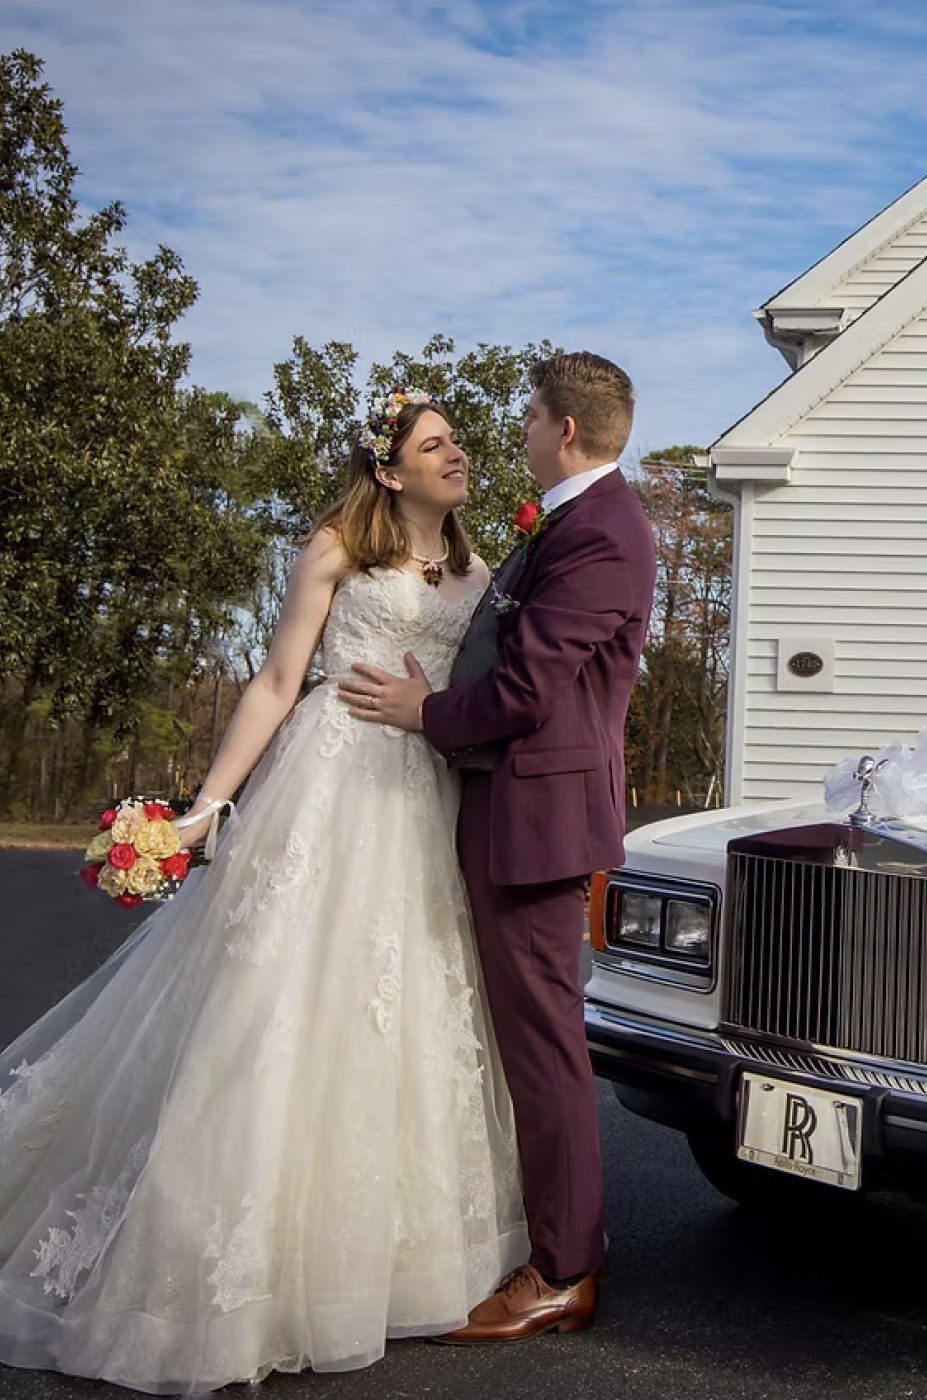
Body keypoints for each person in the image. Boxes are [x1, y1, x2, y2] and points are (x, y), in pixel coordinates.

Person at [0, 393, 528, 1392]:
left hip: (424, 796)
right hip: (328, 789)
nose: (457, 454)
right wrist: (203, 810)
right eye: (434, 444)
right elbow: (279, 681)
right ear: (388, 469)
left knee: (400, 1011)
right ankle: (216, 1269)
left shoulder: (477, 572)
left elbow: (480, 689)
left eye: (456, 440)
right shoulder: (332, 548)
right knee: (270, 1005)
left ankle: (374, 1257)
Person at [339, 352, 655, 1344]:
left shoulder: (601, 534)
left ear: (564, 428)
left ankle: (564, 1267)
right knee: (526, 1035)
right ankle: (552, 1240)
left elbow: (525, 690)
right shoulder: (573, 521)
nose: (514, 430)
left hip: (536, 820)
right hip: (513, 807)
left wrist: (419, 707)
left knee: (543, 1043)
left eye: (526, 415)